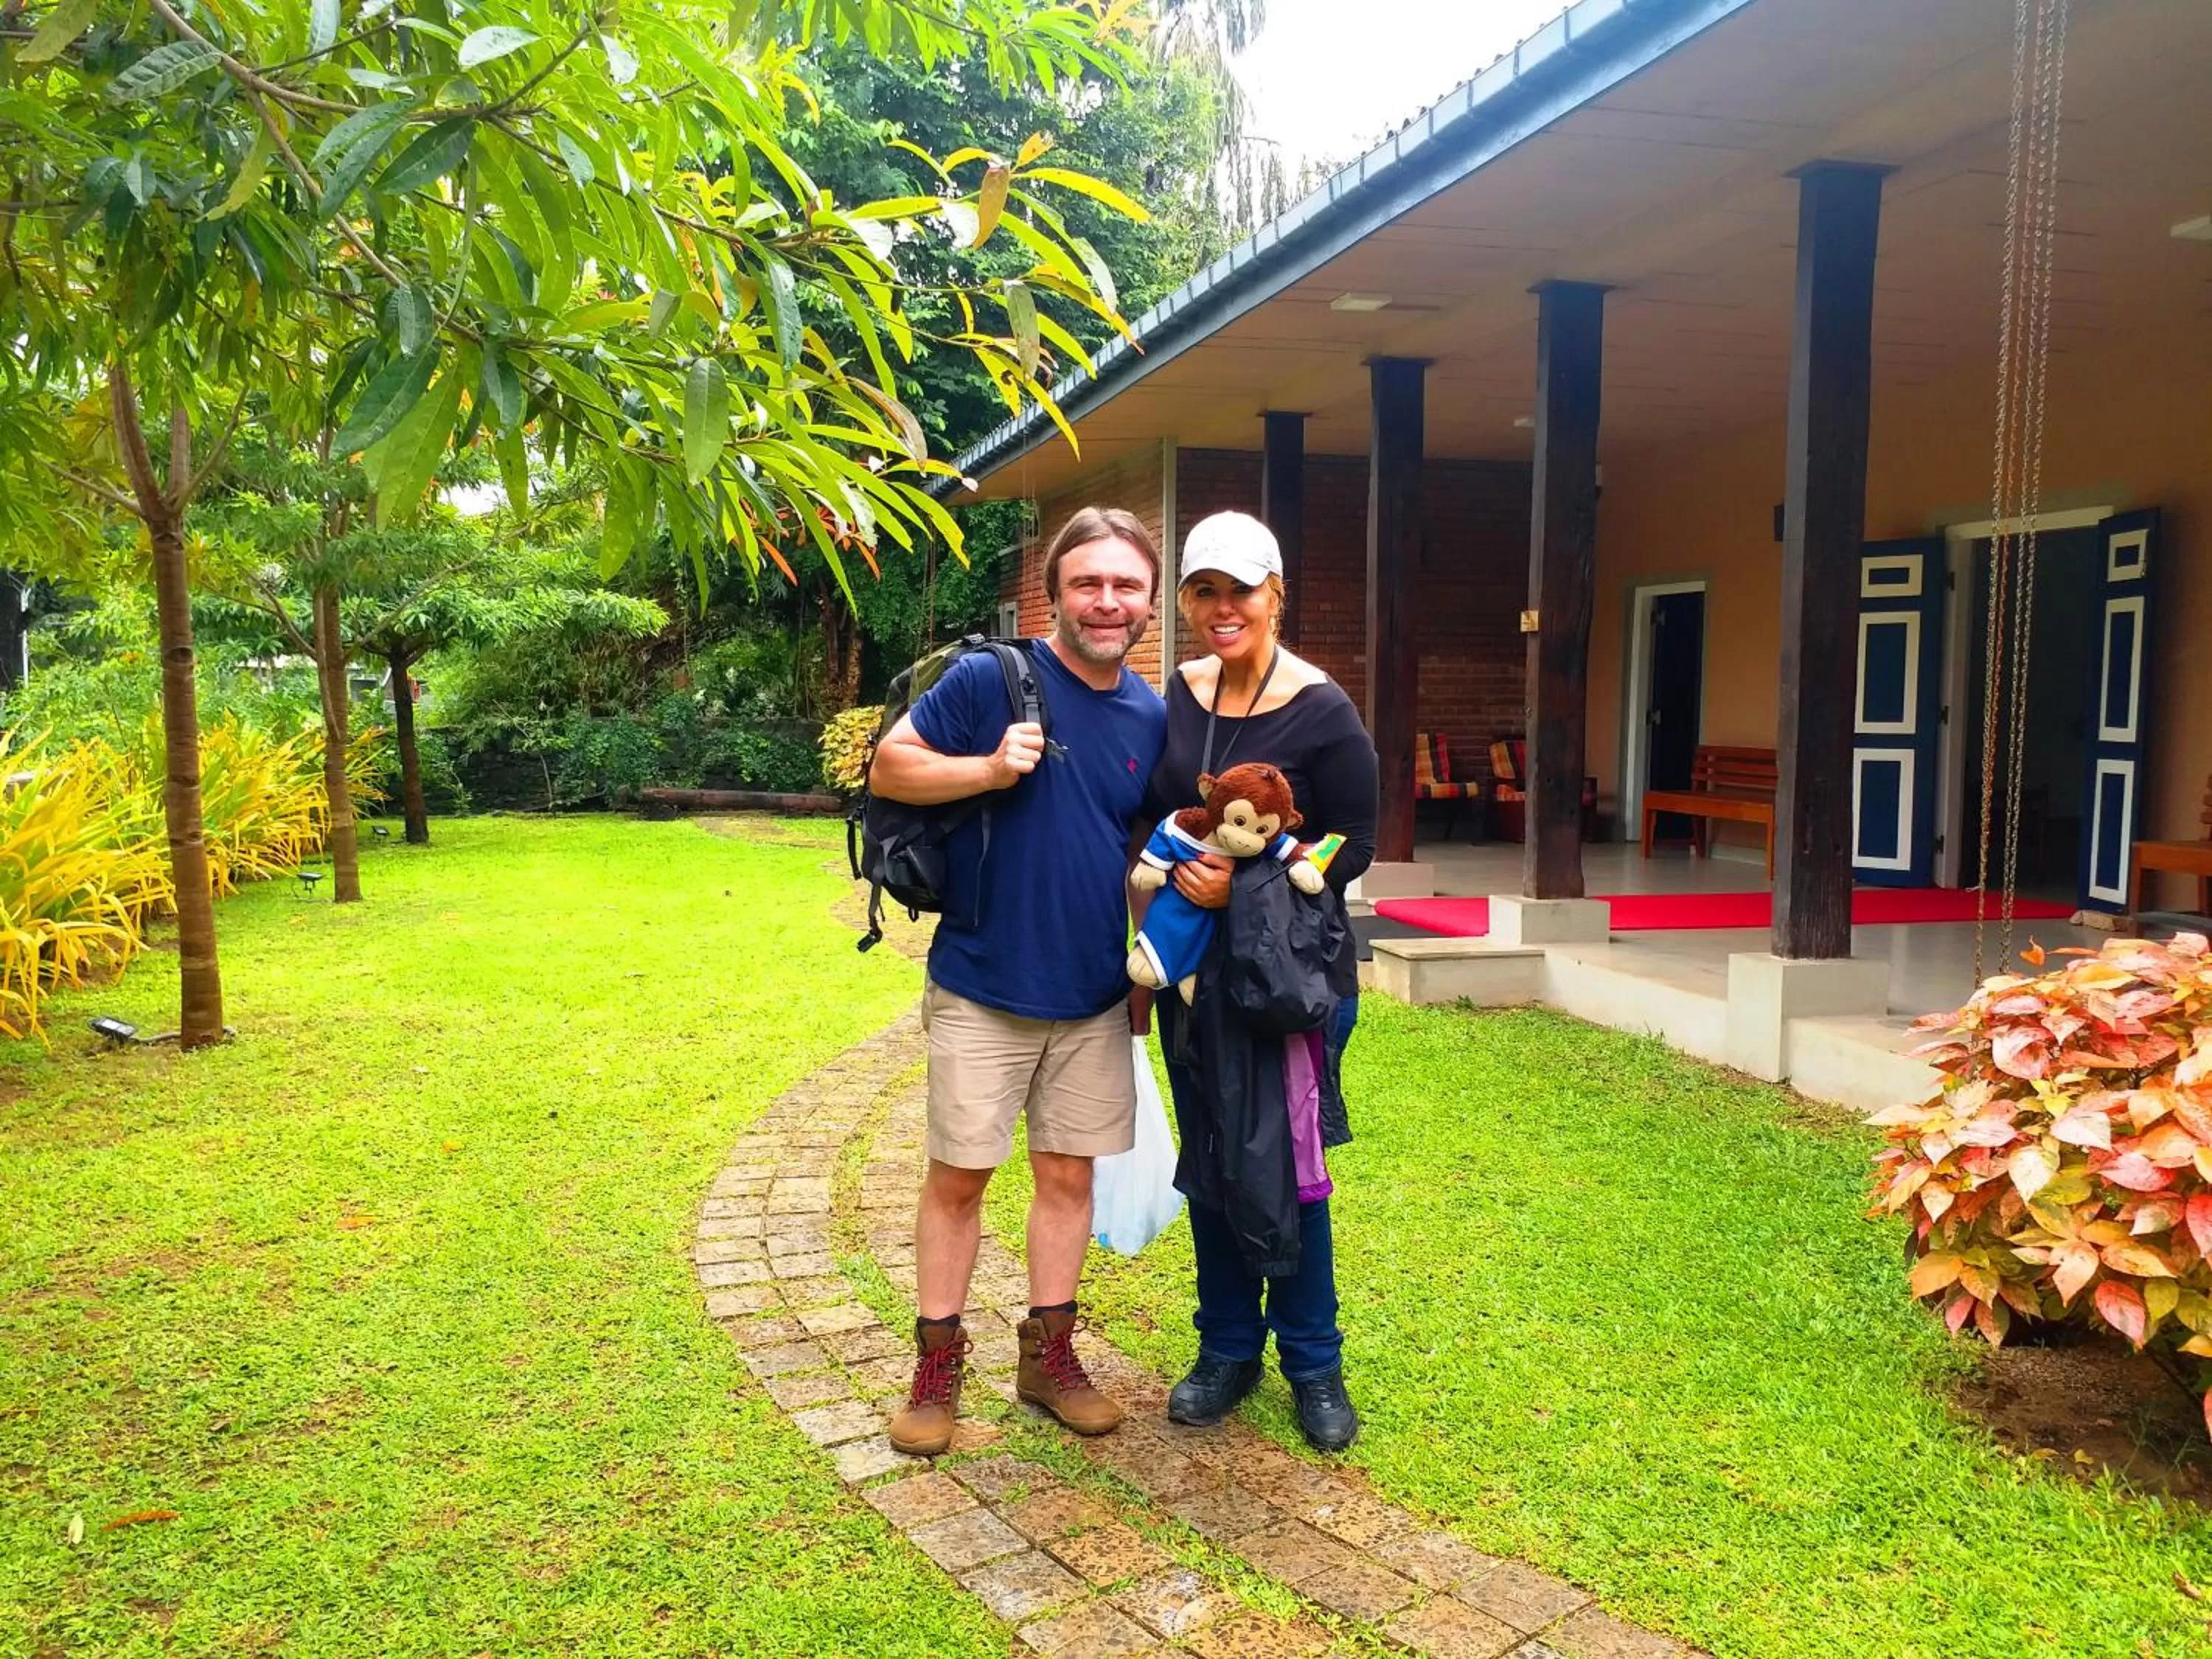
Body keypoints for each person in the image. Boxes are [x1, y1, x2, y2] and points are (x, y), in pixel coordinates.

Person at [868, 505, 1166, 1458]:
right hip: (984, 982)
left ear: (1150, 601)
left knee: (1067, 1176)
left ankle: (1049, 1355)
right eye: (1089, 582)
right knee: (959, 1177)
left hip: (1090, 995)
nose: (1108, 600)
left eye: (1126, 585)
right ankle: (936, 1366)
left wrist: (1150, 970)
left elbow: (1135, 849)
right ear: (1055, 591)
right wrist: (989, 767)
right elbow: (890, 766)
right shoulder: (991, 679)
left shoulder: (1149, 714)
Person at [1139, 509, 1377, 1453]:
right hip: (1199, 982)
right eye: (1204, 590)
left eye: (1241, 589)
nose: (1221, 608)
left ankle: (1315, 1365)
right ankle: (1227, 1349)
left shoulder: (1322, 708)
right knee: (1212, 1162)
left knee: (1289, 1173)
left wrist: (1247, 877)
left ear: (1277, 593)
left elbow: (1355, 843)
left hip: (1290, 987)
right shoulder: (1181, 694)